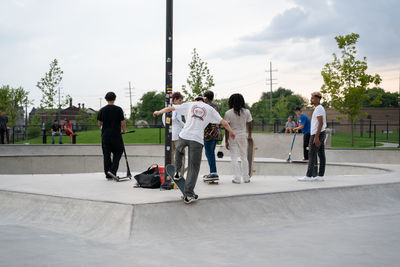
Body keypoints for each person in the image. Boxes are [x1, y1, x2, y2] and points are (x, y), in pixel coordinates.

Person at [153, 95, 236, 204]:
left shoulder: (189, 104)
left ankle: (177, 171)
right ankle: (188, 194)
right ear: (204, 101)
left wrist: (158, 112)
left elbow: (170, 108)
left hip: (184, 135)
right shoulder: (210, 109)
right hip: (197, 140)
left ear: (195, 100)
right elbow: (224, 123)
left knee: (179, 151)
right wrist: (232, 132)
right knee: (194, 167)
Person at [224, 94, 253, 184]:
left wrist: (226, 141)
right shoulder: (247, 112)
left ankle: (237, 178)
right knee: (244, 156)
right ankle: (246, 177)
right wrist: (249, 135)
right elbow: (250, 125)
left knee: (234, 157)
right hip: (242, 135)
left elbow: (226, 127)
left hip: (232, 136)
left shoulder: (228, 113)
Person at [97, 92, 126, 180]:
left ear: (106, 99)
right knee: (119, 152)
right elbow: (123, 123)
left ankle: (108, 174)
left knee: (106, 154)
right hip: (116, 135)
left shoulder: (102, 110)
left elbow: (99, 124)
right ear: (115, 99)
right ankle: (113, 171)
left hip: (105, 136)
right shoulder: (118, 109)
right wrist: (124, 131)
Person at [298, 92, 327, 181]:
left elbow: (320, 123)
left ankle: (309, 176)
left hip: (317, 134)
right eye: (311, 98)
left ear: (318, 99)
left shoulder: (318, 109)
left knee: (312, 154)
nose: (311, 100)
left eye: (313, 98)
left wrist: (316, 137)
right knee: (321, 154)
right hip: (320, 133)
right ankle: (320, 175)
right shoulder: (319, 108)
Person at [162, 92, 186, 177]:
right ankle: (180, 175)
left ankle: (171, 175)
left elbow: (164, 122)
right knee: (181, 157)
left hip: (169, 136)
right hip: (178, 136)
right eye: (180, 100)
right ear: (175, 100)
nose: (181, 102)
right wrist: (185, 126)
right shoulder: (176, 109)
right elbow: (178, 120)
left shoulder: (166, 109)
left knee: (171, 158)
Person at [203, 90, 222, 180]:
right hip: (217, 131)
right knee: (211, 153)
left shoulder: (206, 106)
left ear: (205, 98)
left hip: (209, 132)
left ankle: (213, 172)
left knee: (209, 153)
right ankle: (213, 171)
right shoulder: (216, 106)